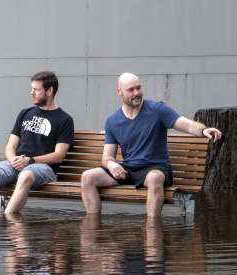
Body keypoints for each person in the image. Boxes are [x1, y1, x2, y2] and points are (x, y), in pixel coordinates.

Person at [81, 73, 222, 218]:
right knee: (88, 177)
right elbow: (107, 157)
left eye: (139, 88)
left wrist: (203, 129)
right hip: (129, 169)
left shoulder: (158, 109)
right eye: (131, 90)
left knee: (154, 178)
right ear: (119, 91)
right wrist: (112, 165)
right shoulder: (112, 121)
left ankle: (152, 232)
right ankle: (93, 228)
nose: (136, 93)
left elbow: (186, 124)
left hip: (156, 168)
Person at [0, 71, 74, 215]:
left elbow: (59, 155)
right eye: (32, 89)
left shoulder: (64, 120)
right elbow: (11, 145)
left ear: (49, 91)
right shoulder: (25, 113)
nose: (32, 93)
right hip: (17, 163)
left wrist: (30, 160)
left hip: (44, 167)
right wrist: (13, 159)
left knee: (25, 176)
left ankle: (8, 219)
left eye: (36, 90)